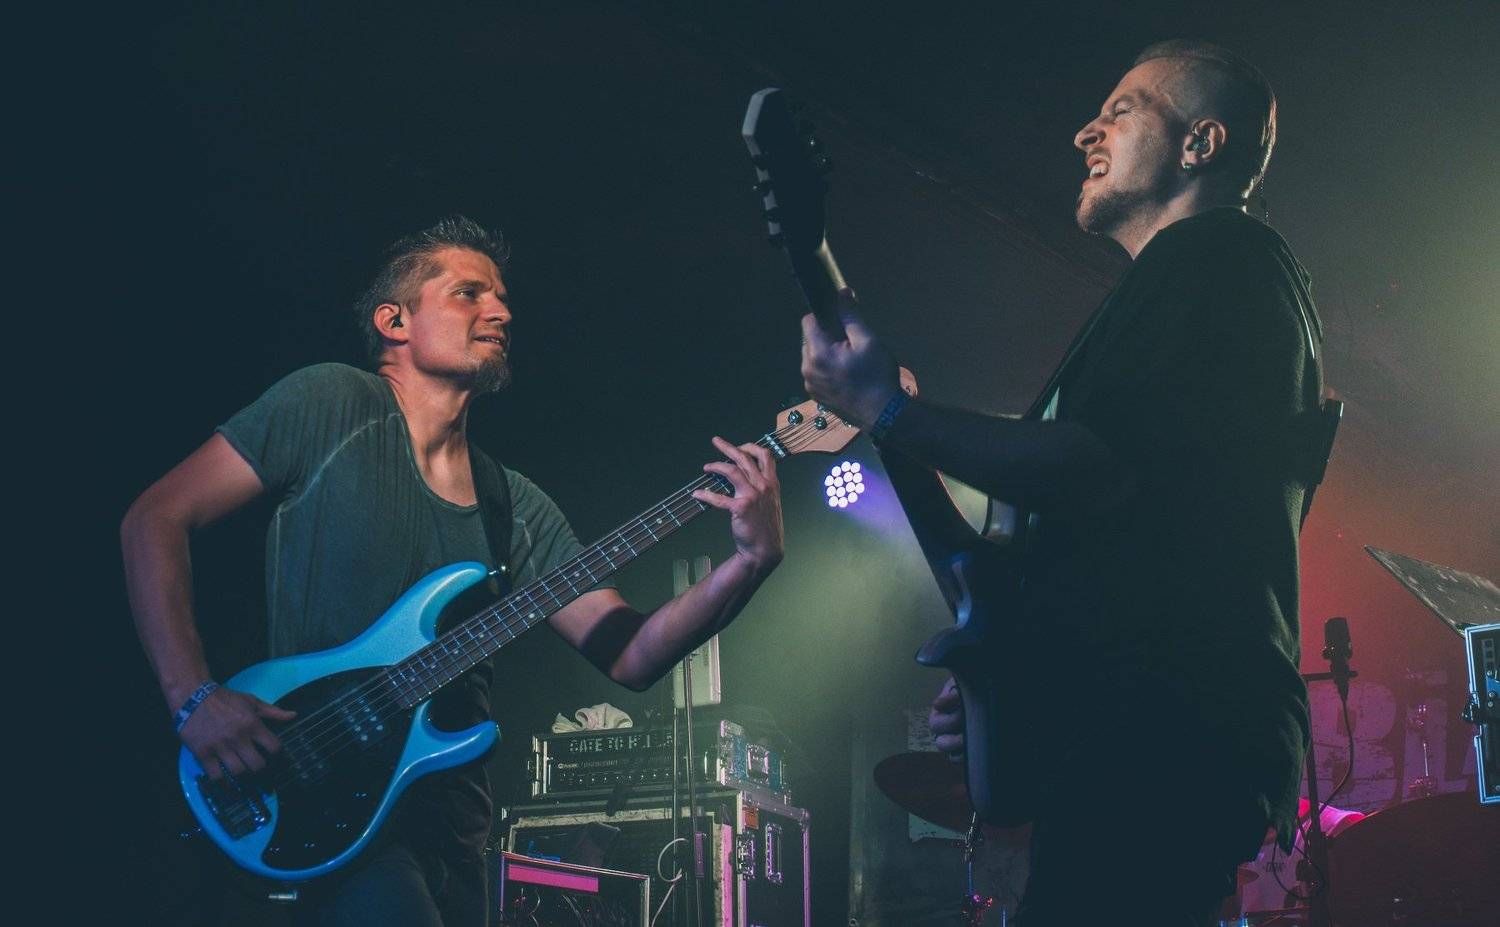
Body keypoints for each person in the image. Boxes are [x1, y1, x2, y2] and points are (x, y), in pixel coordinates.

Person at [121, 215, 784, 926]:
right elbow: (154, 518)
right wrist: (193, 699)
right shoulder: (328, 403)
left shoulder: (513, 504)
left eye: (502, 299)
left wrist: (750, 561)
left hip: (454, 832)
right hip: (326, 798)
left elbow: (631, 654)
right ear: (394, 321)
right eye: (469, 293)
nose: (500, 312)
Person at [804, 40, 1325, 926]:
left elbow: (1098, 468)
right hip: (1129, 739)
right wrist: (1009, 680)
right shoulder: (1174, 285)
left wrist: (890, 412)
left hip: (1164, 739)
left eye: (1122, 109)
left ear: (1200, 143)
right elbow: (1111, 529)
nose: (1087, 130)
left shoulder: (1223, 259)